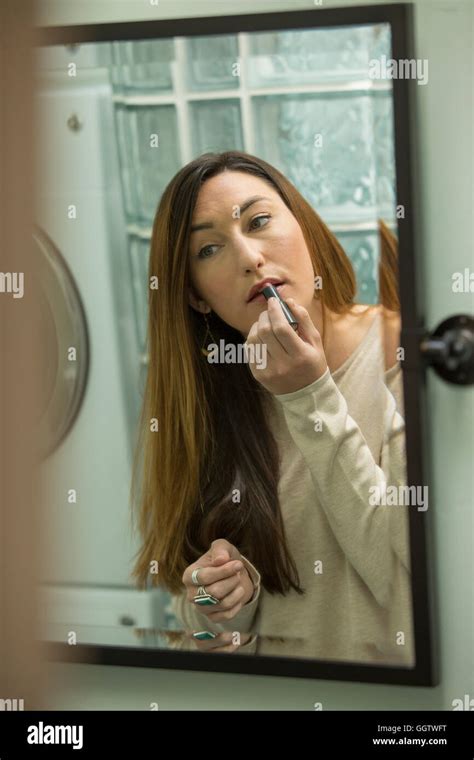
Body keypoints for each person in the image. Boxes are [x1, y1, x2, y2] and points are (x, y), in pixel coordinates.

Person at [130, 150, 414, 665]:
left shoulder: (403, 351)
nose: (248, 257)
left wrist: (308, 397)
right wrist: (213, 610)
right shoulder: (208, 406)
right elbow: (192, 631)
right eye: (210, 249)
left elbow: (405, 579)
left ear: (302, 224)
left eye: (258, 221)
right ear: (197, 298)